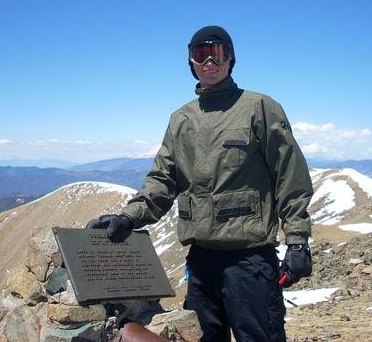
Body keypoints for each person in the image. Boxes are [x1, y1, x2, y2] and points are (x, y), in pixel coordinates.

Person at [88, 25, 313, 342]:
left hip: (249, 260)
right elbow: (163, 179)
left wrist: (298, 239)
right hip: (201, 260)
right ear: (191, 62)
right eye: (200, 54)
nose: (209, 61)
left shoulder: (259, 108)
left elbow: (290, 175)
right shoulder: (182, 119)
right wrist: (130, 216)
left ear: (231, 59)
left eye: (217, 53)